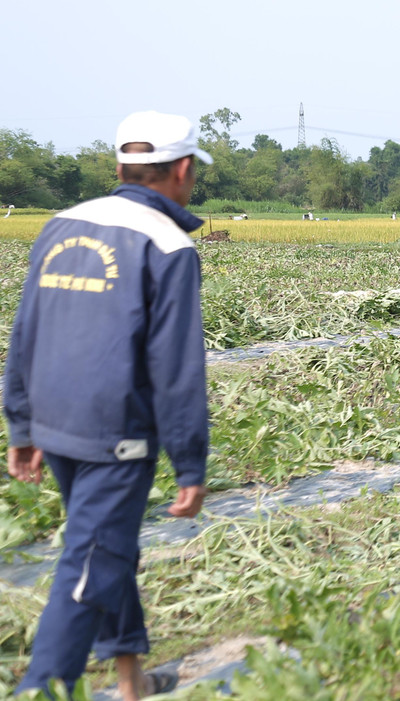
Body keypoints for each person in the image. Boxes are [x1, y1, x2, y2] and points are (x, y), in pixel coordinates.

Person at [5, 111, 212, 700]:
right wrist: (191, 463)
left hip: (53, 418)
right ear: (182, 169)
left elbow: (26, 328)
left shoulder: (62, 222)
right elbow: (175, 368)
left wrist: (22, 421)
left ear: (119, 167)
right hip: (113, 432)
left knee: (103, 546)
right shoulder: (168, 245)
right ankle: (42, 691)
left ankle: (130, 683)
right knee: (92, 563)